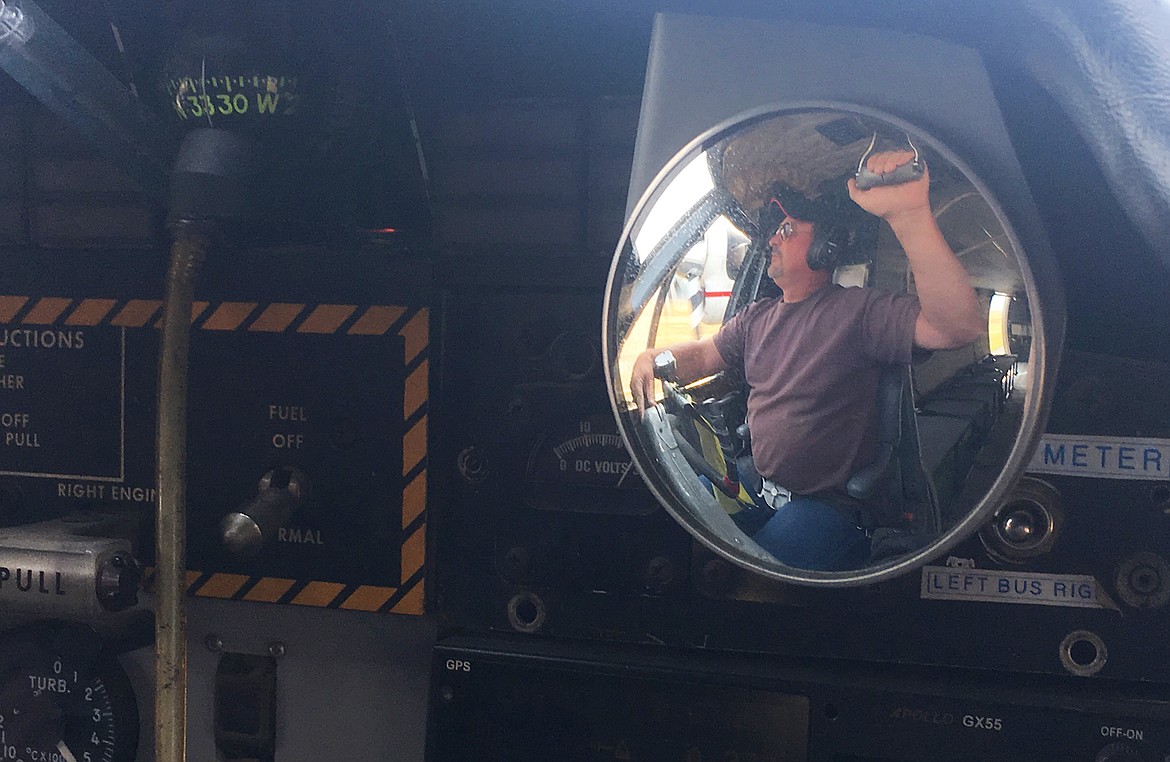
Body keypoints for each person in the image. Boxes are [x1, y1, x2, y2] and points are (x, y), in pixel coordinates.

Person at [628, 150, 984, 571]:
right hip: (756, 487)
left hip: (828, 510)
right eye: (773, 232)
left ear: (824, 247)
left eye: (786, 229)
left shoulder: (857, 313)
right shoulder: (756, 317)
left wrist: (909, 216)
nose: (771, 240)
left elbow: (956, 327)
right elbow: (706, 354)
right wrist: (654, 357)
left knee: (746, 581)